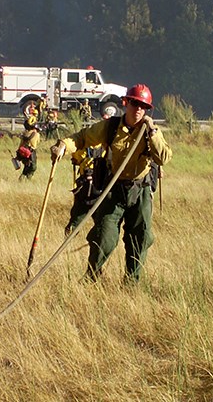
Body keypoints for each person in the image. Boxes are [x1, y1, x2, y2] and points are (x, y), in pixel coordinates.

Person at [51, 84, 171, 283]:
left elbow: (164, 157)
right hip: (113, 190)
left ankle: (132, 283)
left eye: (143, 106)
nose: (138, 109)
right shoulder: (110, 127)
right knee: (104, 237)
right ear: (126, 103)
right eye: (134, 103)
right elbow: (82, 137)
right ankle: (92, 277)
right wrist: (63, 145)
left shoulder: (151, 131)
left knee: (140, 238)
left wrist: (153, 132)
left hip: (140, 191)